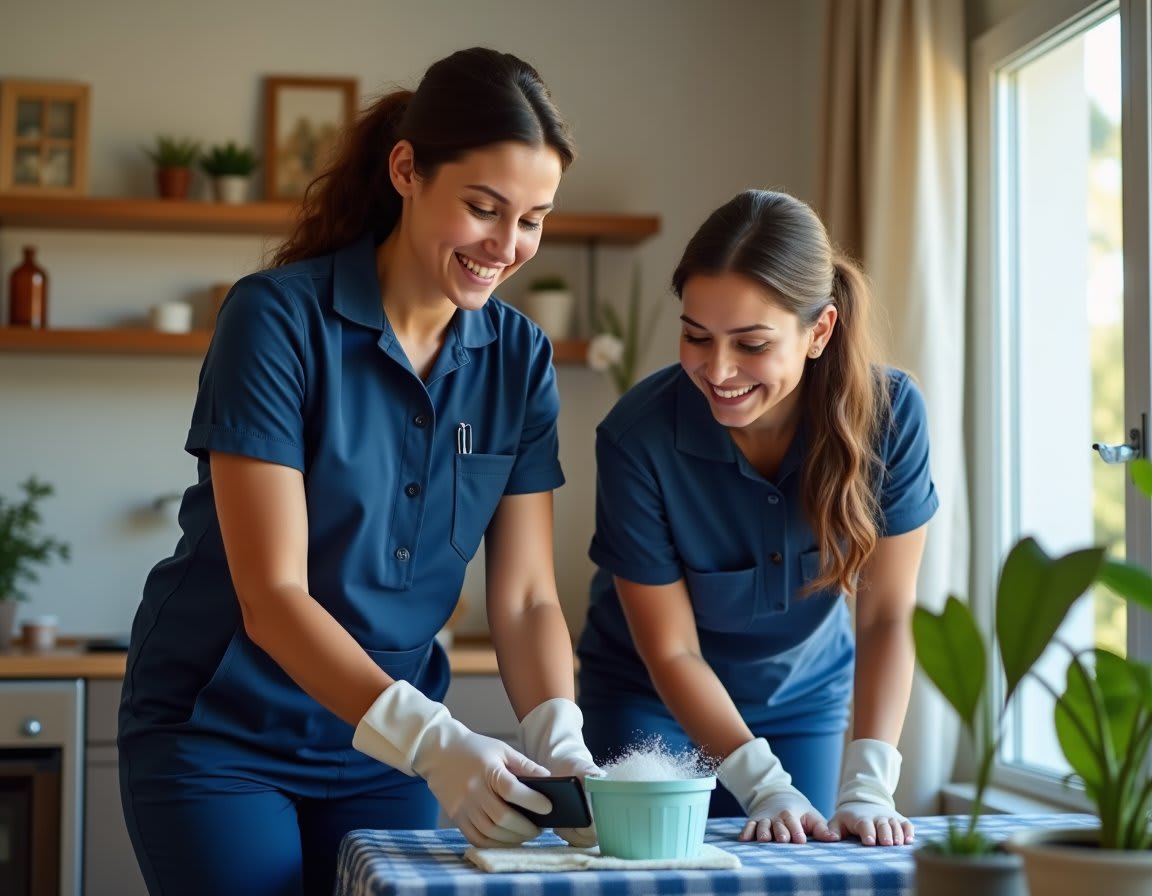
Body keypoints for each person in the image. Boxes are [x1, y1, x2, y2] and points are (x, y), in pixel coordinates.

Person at [118, 47, 600, 896]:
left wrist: (558, 732)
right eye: (484, 208)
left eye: (533, 219)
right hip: (223, 735)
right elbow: (274, 598)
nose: (507, 245)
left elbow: (525, 598)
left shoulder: (519, 358)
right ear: (406, 169)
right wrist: (435, 743)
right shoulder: (275, 320)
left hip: (378, 753)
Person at [576, 189, 938, 849]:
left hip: (803, 696)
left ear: (819, 331)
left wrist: (870, 779)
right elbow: (671, 648)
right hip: (646, 695)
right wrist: (762, 782)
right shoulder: (637, 439)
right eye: (696, 337)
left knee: (799, 866)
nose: (717, 370)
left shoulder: (891, 417)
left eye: (751, 344)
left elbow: (888, 614)